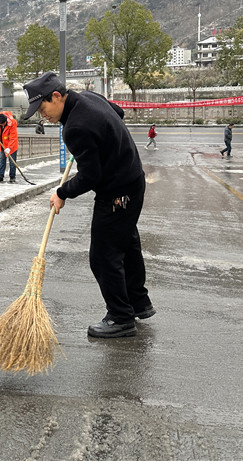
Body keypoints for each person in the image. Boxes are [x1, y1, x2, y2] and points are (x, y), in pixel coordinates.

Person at [23, 72, 154, 338]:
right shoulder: (89, 98)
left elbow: (91, 177)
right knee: (126, 245)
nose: (42, 116)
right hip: (133, 181)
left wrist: (62, 192)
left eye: (43, 108)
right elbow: (118, 113)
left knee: (103, 256)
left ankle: (120, 317)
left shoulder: (76, 128)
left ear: (57, 97)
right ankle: (138, 302)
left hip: (117, 193)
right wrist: (98, 140)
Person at [0, 111, 19, 183]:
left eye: (3, 124)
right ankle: (0, 176)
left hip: (11, 145)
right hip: (2, 144)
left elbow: (13, 137)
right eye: (0, 124)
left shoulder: (12, 123)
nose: (2, 125)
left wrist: (9, 147)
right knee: (2, 160)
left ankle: (12, 177)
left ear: (6, 121)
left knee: (12, 161)